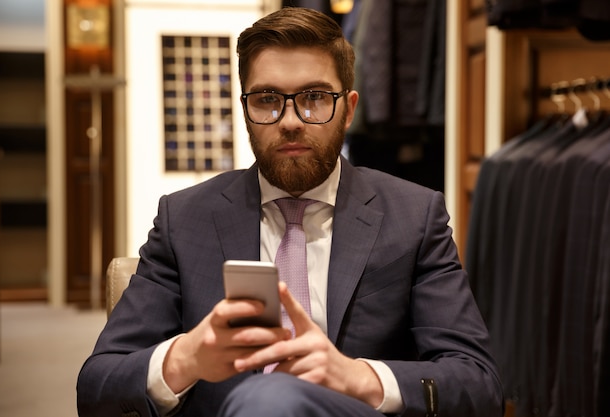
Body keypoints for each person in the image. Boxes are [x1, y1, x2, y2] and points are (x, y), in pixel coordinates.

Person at [77, 7, 503, 417]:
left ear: (349, 109)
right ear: (245, 111)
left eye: (315, 97)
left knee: (274, 398)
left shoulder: (413, 216)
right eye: (267, 99)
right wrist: (186, 358)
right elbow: (98, 387)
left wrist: (357, 377)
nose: (291, 120)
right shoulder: (184, 219)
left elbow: (478, 385)